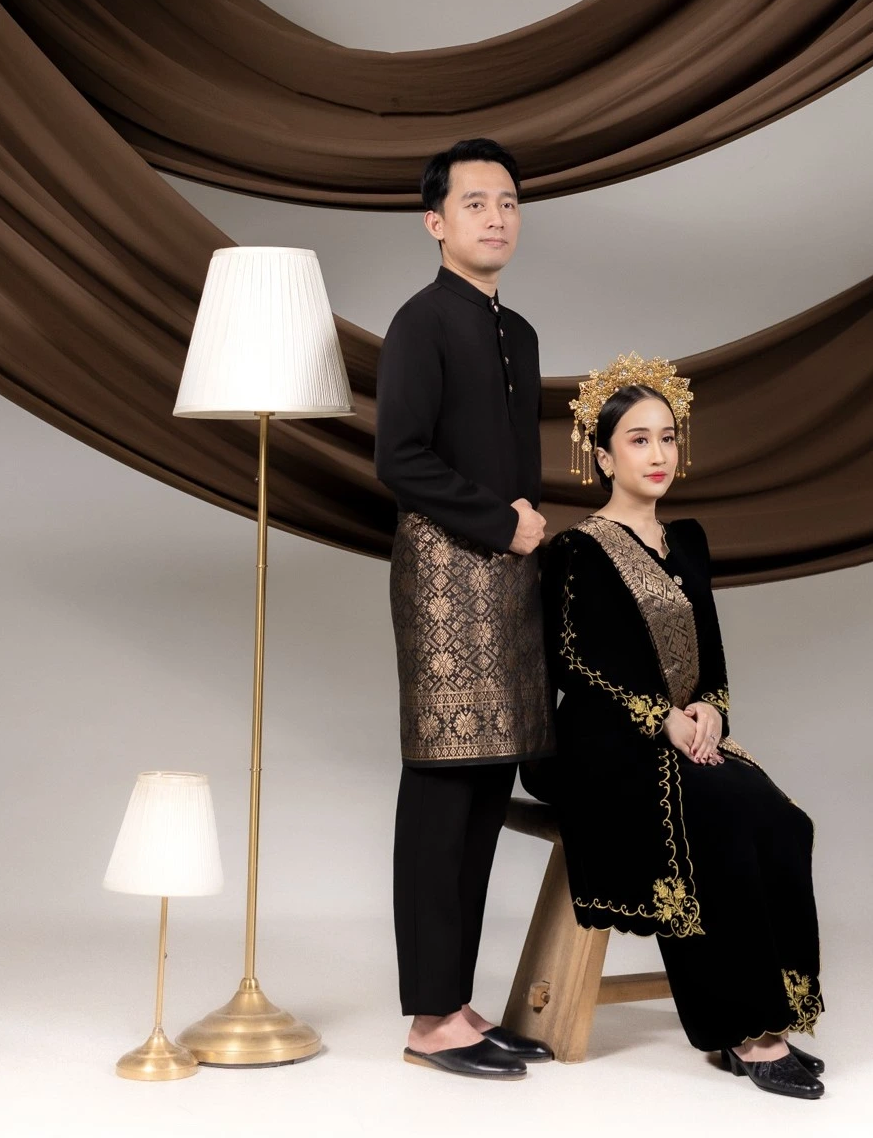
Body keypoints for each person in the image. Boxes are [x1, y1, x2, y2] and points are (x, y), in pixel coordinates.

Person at [531, 355, 825, 1100]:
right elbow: (572, 660)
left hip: (685, 737)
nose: (658, 454)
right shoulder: (577, 549)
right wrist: (656, 715)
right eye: (638, 440)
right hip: (602, 743)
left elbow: (711, 652)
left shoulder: (686, 541)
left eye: (667, 437)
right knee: (718, 821)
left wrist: (711, 707)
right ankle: (747, 1031)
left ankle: (770, 1012)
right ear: (603, 457)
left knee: (782, 821)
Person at [375, 137, 556, 1081]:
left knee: (488, 784)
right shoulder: (421, 320)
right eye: (475, 202)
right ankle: (427, 1015)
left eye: (508, 202)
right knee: (442, 787)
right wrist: (501, 522)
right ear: (435, 221)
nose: (495, 216)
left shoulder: (515, 330)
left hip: (510, 571)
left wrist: (524, 533)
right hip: (447, 572)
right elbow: (398, 457)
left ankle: (453, 999)